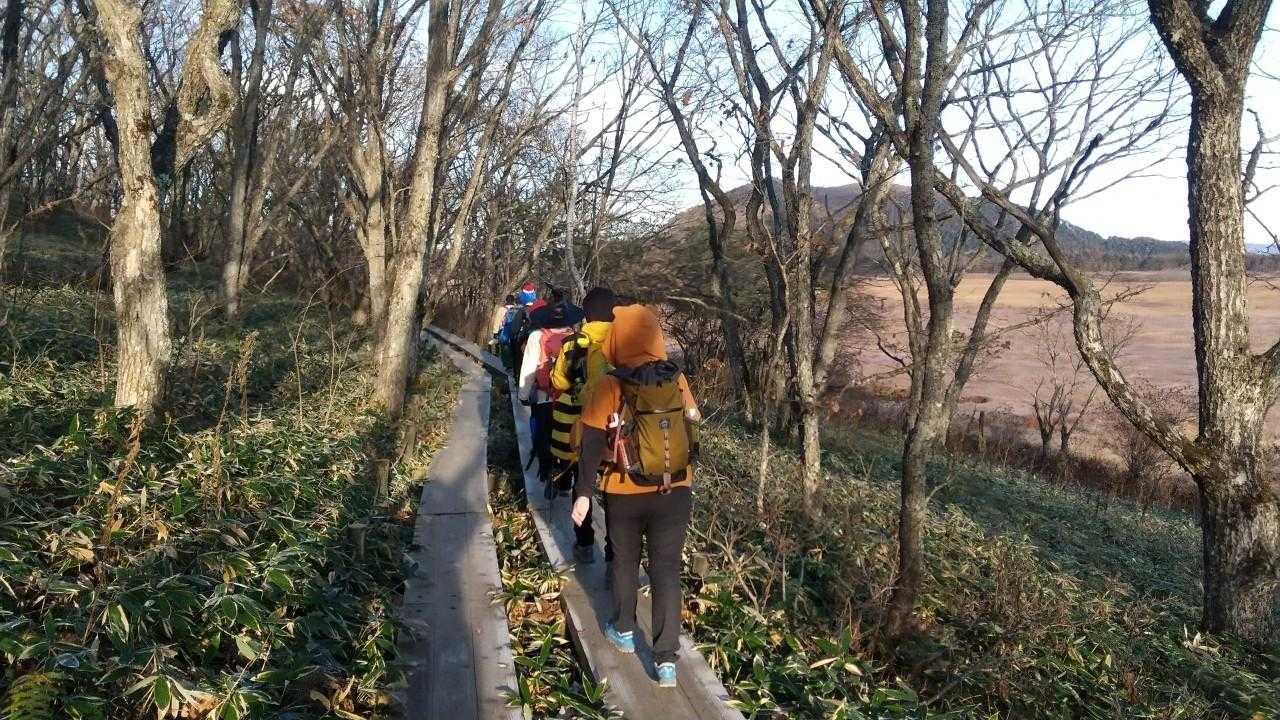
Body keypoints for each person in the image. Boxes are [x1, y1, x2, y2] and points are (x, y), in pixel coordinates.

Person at [571, 303, 700, 688]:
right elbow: (691, 425)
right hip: (675, 489)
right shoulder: (676, 379)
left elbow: (590, 444)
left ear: (618, 339)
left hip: (625, 492)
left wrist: (582, 494)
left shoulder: (609, 384)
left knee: (625, 561)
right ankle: (666, 660)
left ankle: (625, 630)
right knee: (666, 570)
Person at [549, 287, 618, 564]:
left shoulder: (573, 343)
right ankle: (614, 549)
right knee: (613, 488)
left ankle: (584, 542)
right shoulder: (622, 343)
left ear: (587, 314)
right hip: (614, 430)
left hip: (578, 426)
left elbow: (559, 382)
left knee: (582, 482)